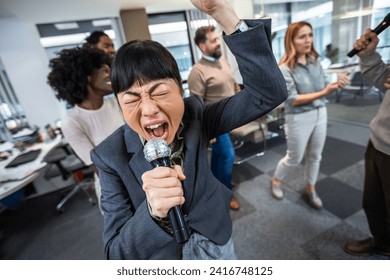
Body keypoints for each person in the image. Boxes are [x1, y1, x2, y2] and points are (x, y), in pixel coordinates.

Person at [90, 0, 287, 260]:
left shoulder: (197, 115)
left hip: (216, 240)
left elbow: (268, 93)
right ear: (119, 104)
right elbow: (115, 254)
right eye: (132, 99)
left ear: (180, 91)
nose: (148, 109)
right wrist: (152, 214)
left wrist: (224, 14)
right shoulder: (108, 156)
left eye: (159, 92)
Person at [270, 21, 349, 209]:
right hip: (298, 117)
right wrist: (325, 92)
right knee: (294, 158)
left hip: (321, 113)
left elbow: (323, 86)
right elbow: (293, 100)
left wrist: (337, 83)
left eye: (310, 35)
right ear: (292, 41)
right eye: (302, 36)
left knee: (315, 156)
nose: (308, 40)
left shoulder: (316, 62)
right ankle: (276, 180)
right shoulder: (285, 69)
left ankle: (310, 188)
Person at [47, 47, 124, 208]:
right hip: (116, 190)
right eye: (103, 70)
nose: (109, 73)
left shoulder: (118, 103)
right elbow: (98, 168)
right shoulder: (72, 122)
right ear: (87, 77)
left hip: (143, 177)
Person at [343, 29, 390, 256]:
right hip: (380, 140)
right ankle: (383, 242)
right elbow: (385, 82)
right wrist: (369, 56)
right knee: (373, 204)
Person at [187, 24, 239, 210]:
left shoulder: (223, 61)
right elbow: (196, 104)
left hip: (232, 117)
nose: (219, 43)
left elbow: (232, 84)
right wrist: (206, 129)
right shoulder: (197, 71)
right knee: (227, 155)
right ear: (202, 46)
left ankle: (215, 184)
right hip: (215, 122)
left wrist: (238, 96)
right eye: (214, 40)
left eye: (218, 39)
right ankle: (224, 194)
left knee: (218, 156)